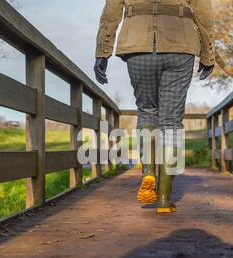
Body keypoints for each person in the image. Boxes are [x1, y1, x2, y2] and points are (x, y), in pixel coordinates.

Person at [94, 0, 224, 214]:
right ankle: (164, 199)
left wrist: (102, 52)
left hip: (137, 44)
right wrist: (208, 53)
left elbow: (111, 12)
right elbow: (203, 12)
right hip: (180, 45)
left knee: (147, 112)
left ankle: (148, 171)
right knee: (171, 122)